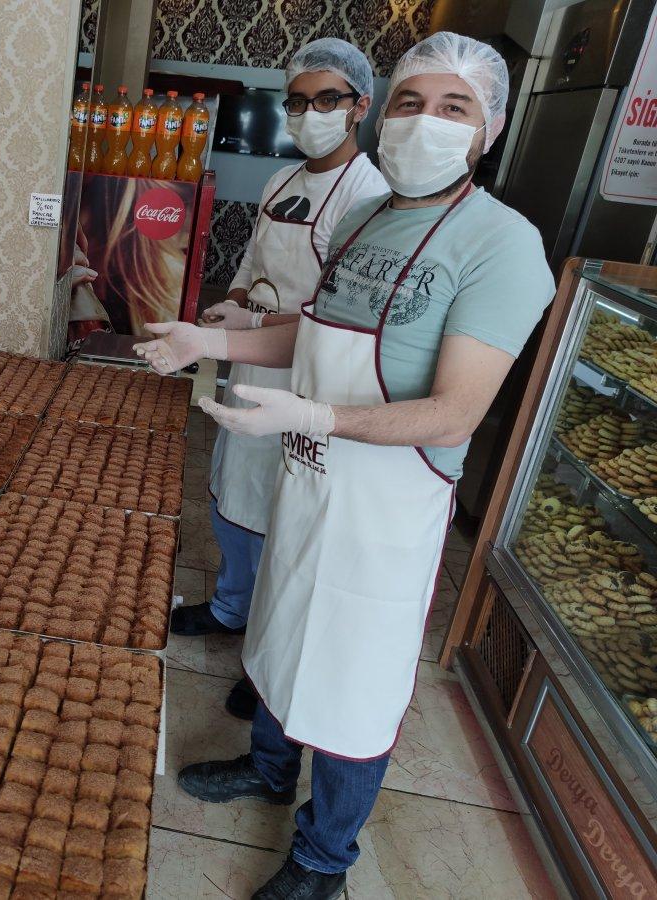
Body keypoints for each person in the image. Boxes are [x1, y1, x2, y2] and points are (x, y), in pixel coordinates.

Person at [137, 33, 555, 900]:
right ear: (385, 109)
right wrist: (209, 339)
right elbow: (318, 332)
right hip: (310, 476)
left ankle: (325, 859)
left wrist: (320, 414)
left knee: (354, 681)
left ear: (493, 128)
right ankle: (266, 767)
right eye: (411, 101)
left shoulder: (503, 244)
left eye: (454, 108)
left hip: (386, 507)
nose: (424, 123)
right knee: (282, 626)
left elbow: (456, 410)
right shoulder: (368, 217)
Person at [171, 41, 388, 714]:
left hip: (307, 381)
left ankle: (264, 653)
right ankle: (233, 608)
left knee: (282, 520)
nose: (310, 113)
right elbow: (253, 261)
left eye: (327, 100)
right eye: (298, 101)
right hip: (251, 358)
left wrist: (241, 331)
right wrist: (234, 305)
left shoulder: (369, 195)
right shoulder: (281, 182)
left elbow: (340, 316)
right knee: (233, 492)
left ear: (360, 106)